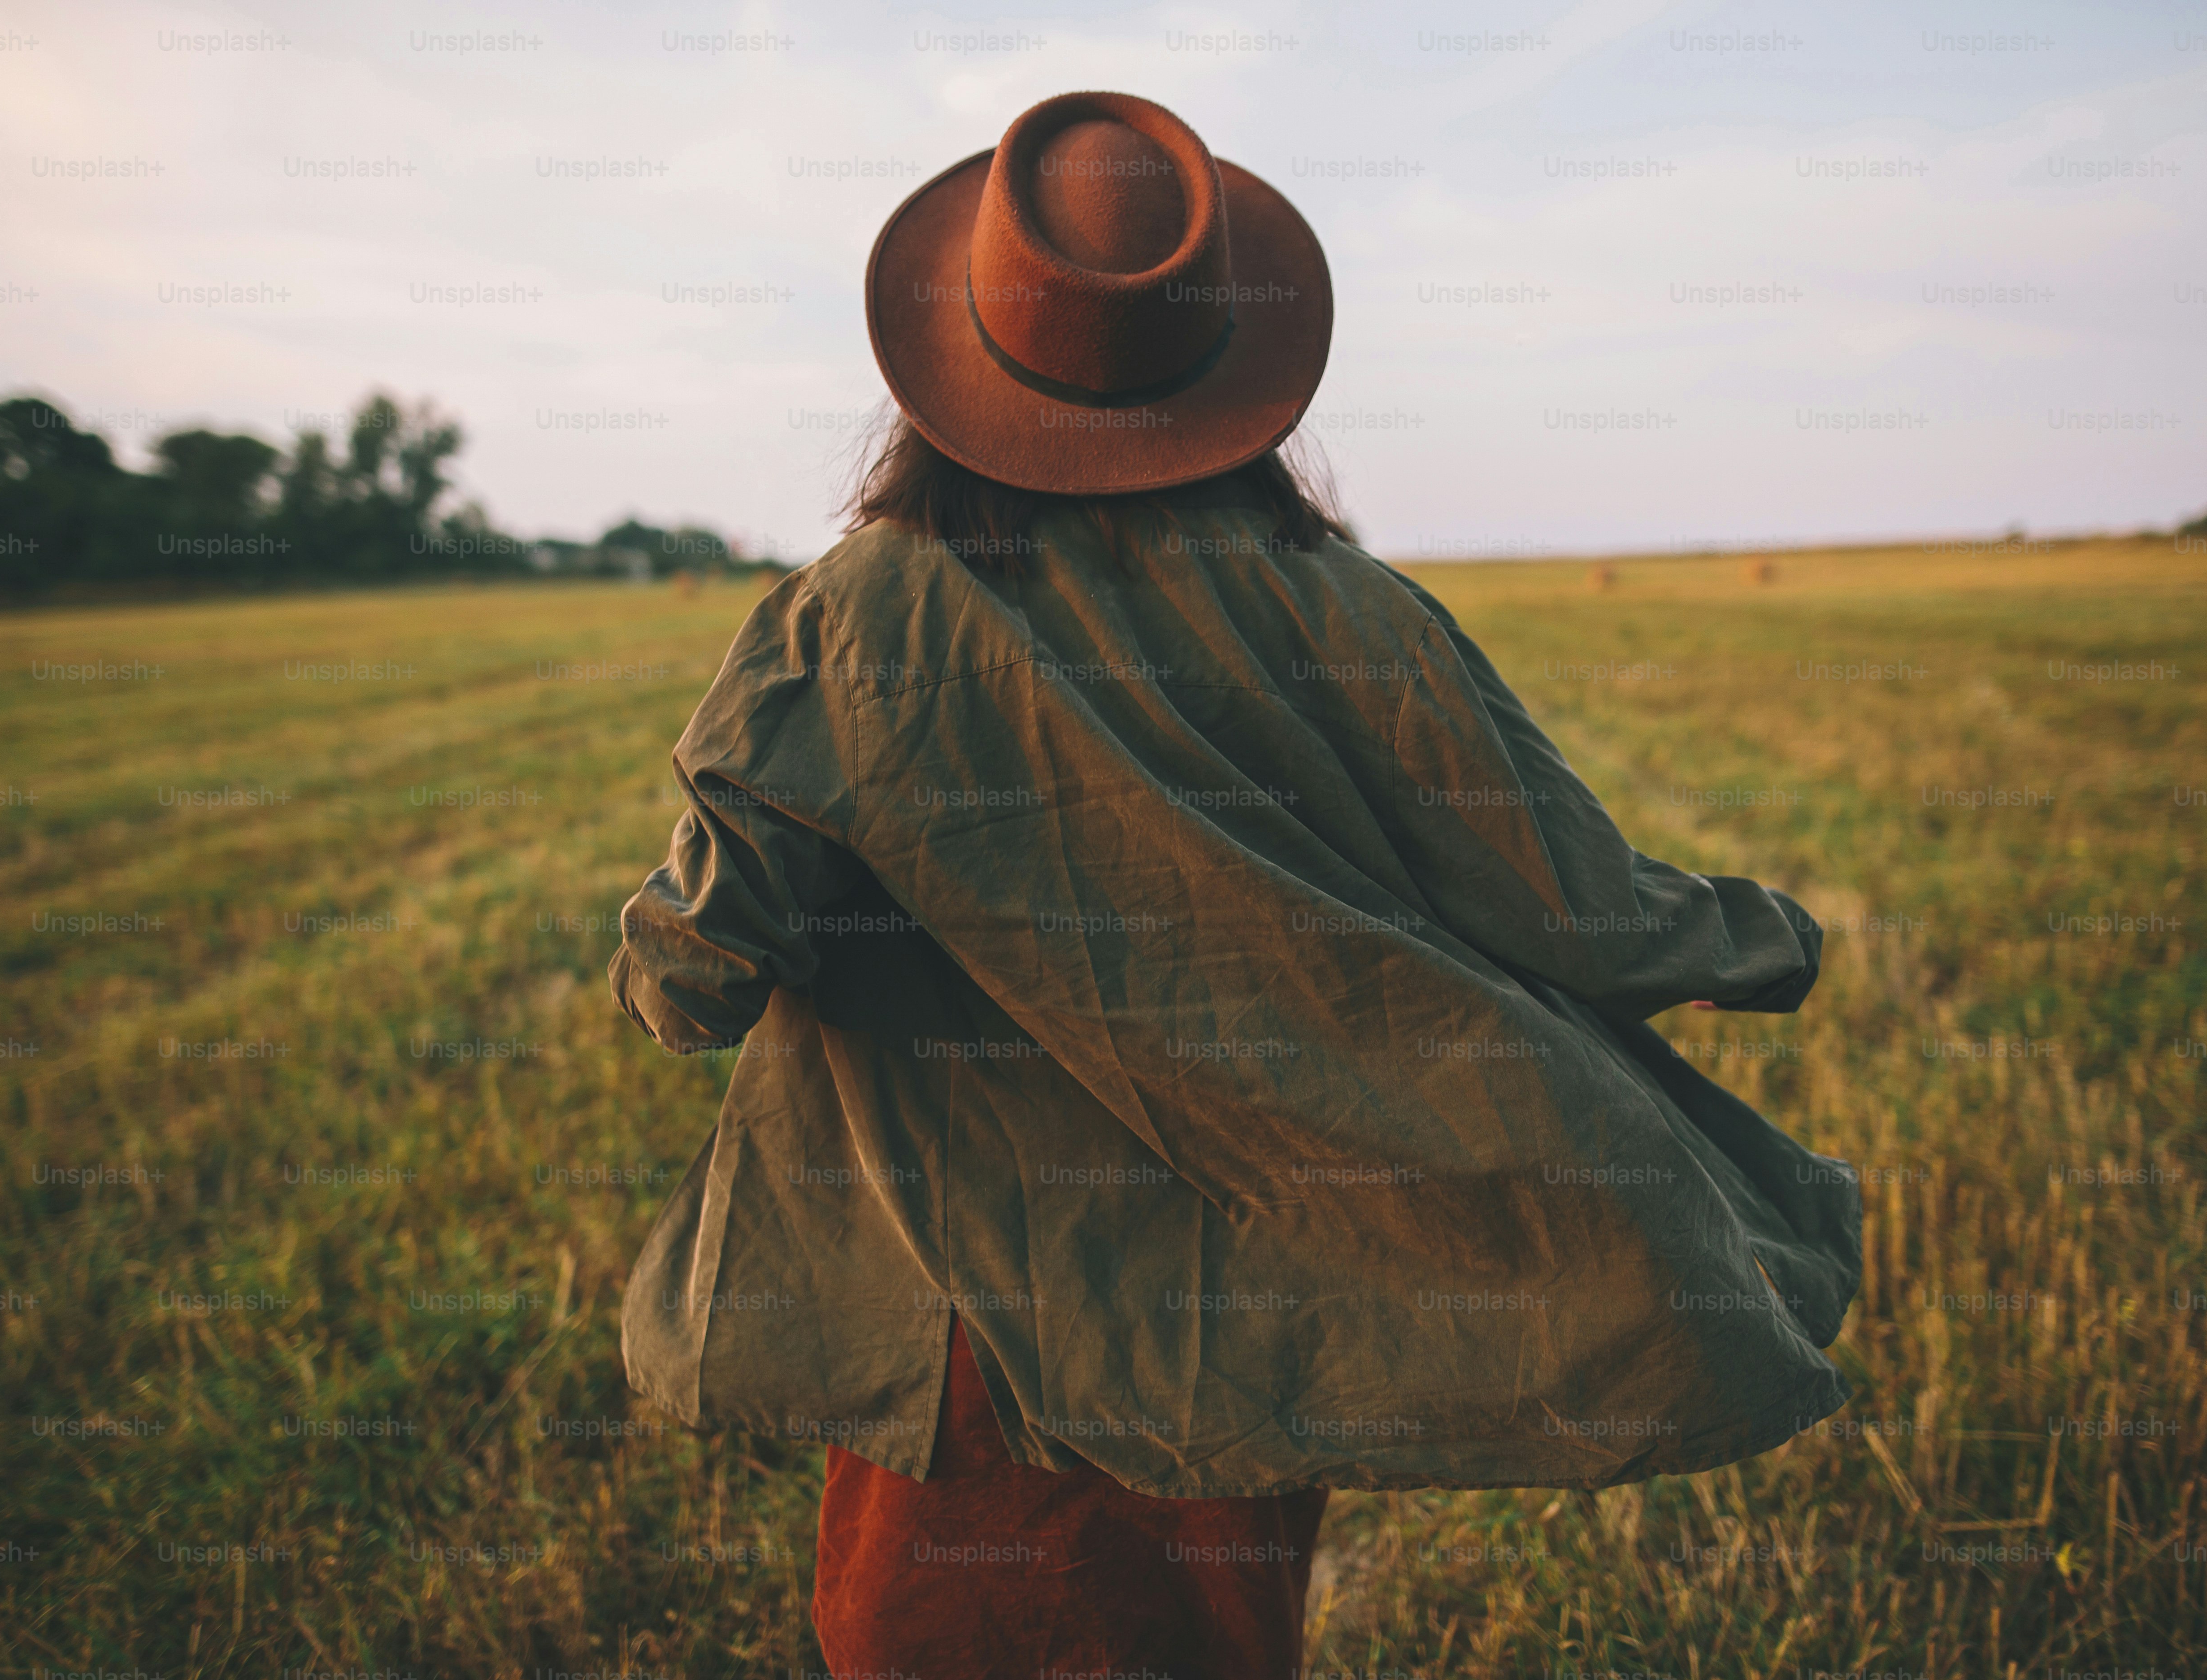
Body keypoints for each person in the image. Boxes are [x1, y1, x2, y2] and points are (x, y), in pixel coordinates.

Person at [608, 89, 1861, 1680]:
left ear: (955, 366)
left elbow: (692, 980)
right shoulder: (1357, 613)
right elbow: (1579, 903)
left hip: (973, 1328)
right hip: (1252, 1313)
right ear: (1227, 377)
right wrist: (1770, 936)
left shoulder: (859, 620)